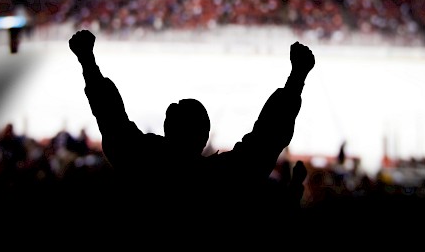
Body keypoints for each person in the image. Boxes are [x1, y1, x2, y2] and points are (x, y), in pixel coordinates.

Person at [68, 29, 316, 245]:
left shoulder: (140, 164)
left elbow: (111, 120)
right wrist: (297, 78)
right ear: (205, 136)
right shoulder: (221, 180)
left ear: (166, 129)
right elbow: (264, 143)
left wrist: (87, 62)